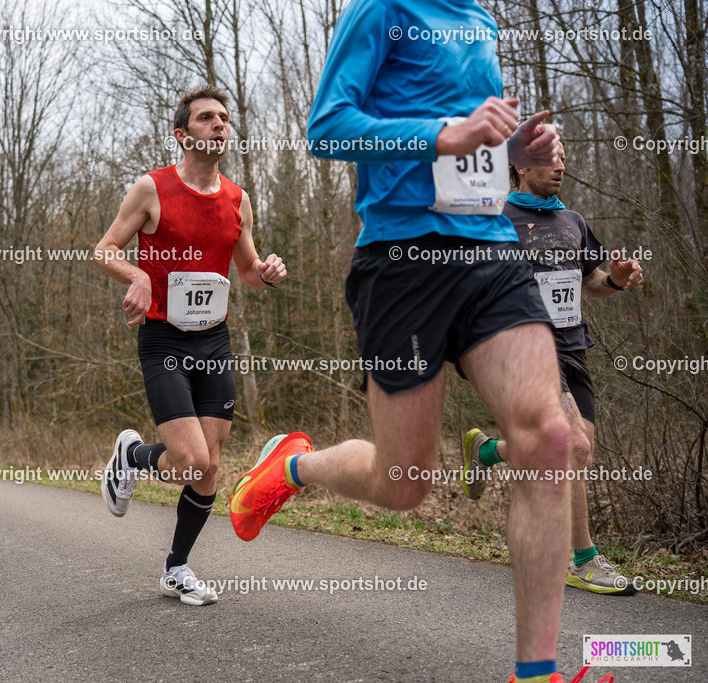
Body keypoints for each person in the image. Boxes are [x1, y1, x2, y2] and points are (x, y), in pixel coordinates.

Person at [228, 2, 581, 681]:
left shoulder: (479, 17)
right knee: (404, 482)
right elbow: (327, 129)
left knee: (550, 436)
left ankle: (536, 673)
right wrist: (444, 133)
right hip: (402, 259)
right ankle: (292, 466)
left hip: (489, 248)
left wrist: (512, 154)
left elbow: (469, 150)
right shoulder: (382, 7)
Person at [93, 85, 287, 606]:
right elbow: (105, 249)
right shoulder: (151, 190)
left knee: (210, 466)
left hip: (214, 340)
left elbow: (246, 272)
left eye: (224, 117)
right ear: (183, 135)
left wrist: (267, 272)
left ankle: (176, 567)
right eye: (206, 118)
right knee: (189, 460)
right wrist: (135, 274)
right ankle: (132, 458)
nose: (219, 124)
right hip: (163, 339)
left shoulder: (238, 199)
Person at [462, 143, 643, 596]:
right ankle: (583, 560)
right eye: (549, 159)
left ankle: (487, 452)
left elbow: (589, 282)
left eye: (563, 158)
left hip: (572, 346)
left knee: (567, 452)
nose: (560, 166)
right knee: (575, 447)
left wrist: (616, 279)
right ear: (521, 165)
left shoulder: (573, 222)